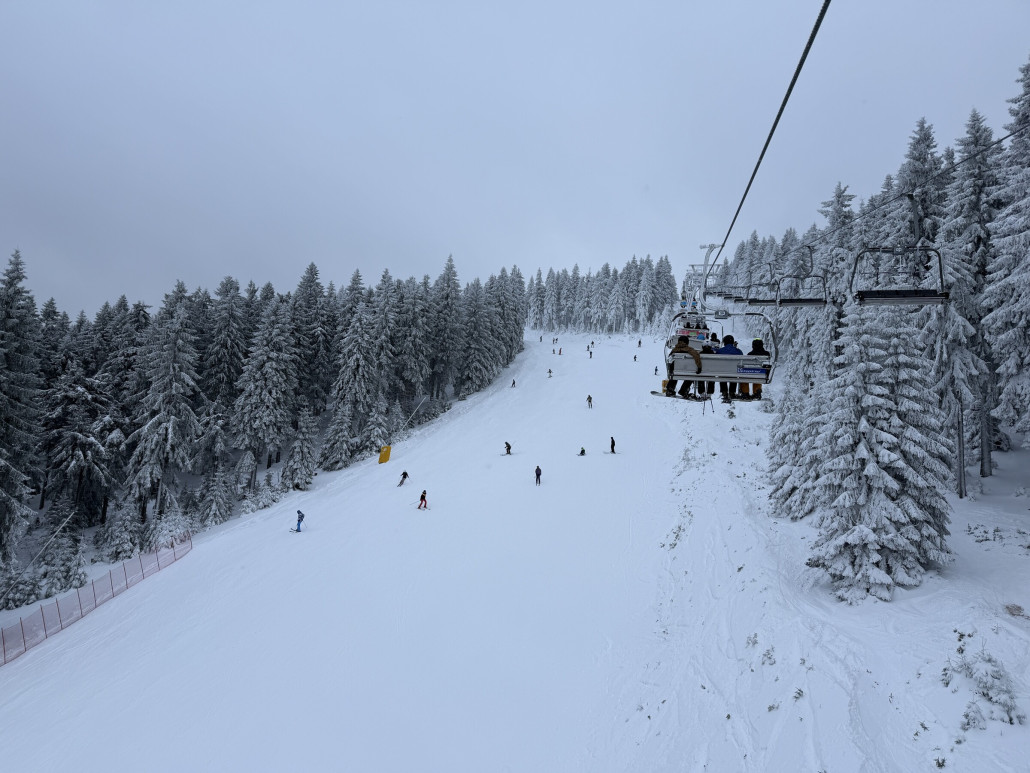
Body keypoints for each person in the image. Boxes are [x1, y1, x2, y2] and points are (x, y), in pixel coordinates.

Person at [716, 335, 743, 401]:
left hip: (723, 373)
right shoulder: (738, 351)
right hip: (734, 373)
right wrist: (735, 348)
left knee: (722, 372)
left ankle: (724, 392)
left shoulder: (720, 351)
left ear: (725, 342)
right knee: (734, 372)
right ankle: (732, 392)